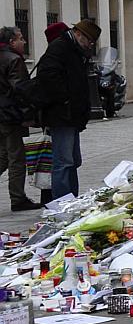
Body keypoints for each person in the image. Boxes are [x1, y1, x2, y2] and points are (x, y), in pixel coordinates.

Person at [36, 18, 99, 200]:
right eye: (89, 40)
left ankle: (72, 198)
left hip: (72, 115)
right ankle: (62, 203)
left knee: (73, 161)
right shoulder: (60, 47)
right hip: (61, 114)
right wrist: (65, 100)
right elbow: (48, 77)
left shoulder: (75, 49)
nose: (90, 44)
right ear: (78, 34)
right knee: (63, 162)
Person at [0, 27, 37, 211]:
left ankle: (18, 197)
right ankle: (18, 198)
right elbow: (20, 89)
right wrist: (28, 115)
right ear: (11, 42)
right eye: (21, 38)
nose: (24, 42)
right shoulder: (14, 60)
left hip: (2, 115)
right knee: (16, 157)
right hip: (11, 115)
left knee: (3, 155)